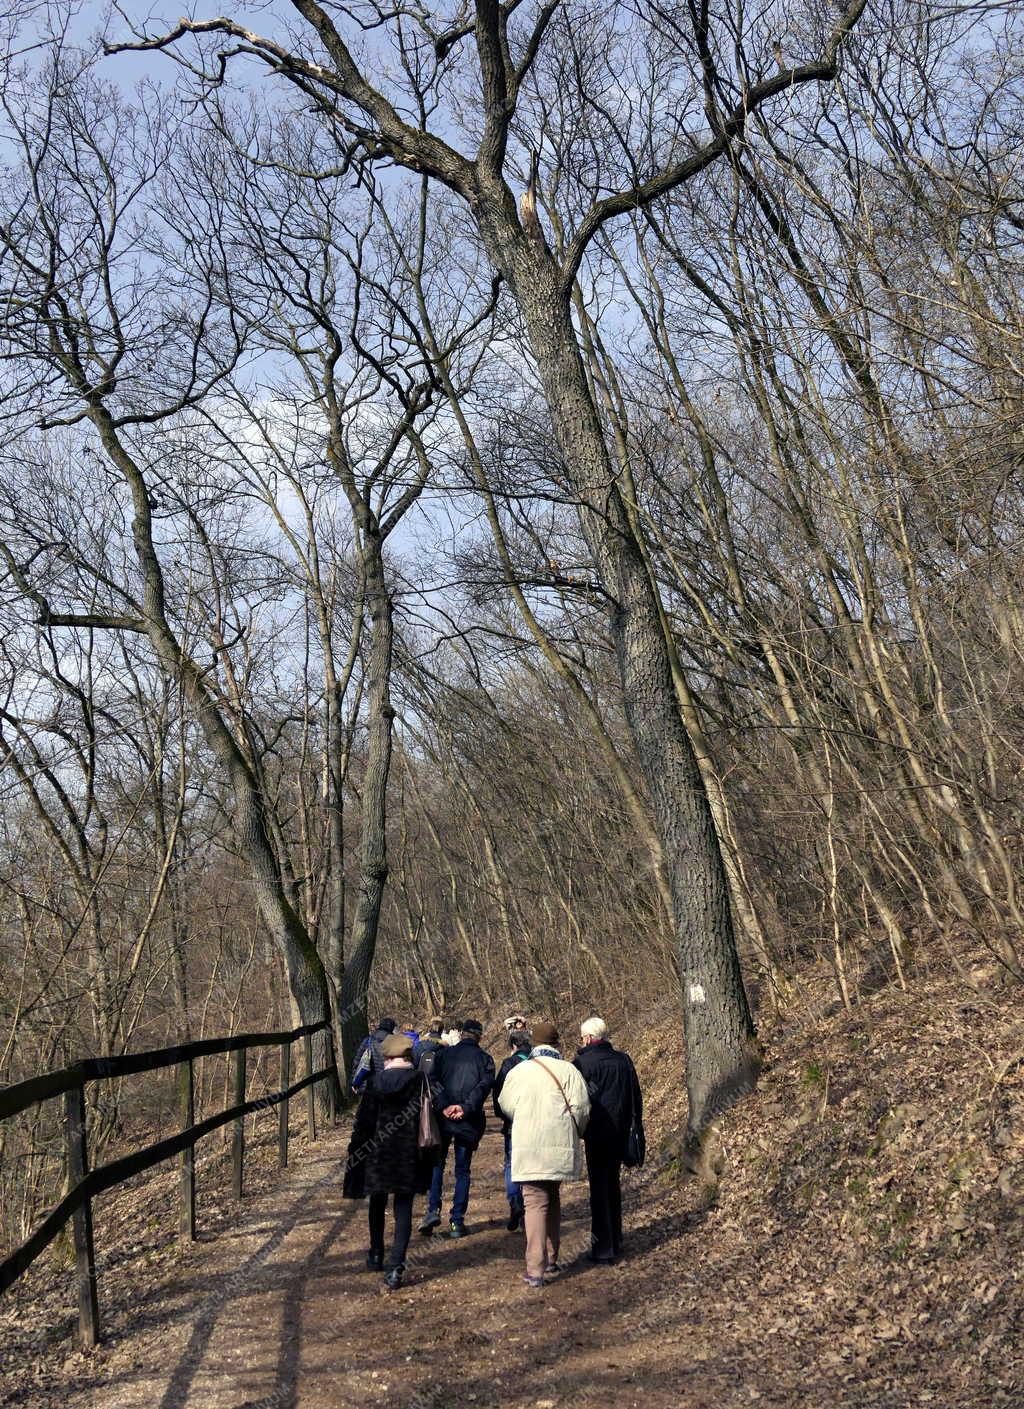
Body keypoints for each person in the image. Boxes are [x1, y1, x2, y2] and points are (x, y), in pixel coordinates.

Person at [342, 1033, 439, 1289]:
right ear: (408, 1055)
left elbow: (363, 1122)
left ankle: (376, 1253)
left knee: (377, 1201)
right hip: (409, 1153)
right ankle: (396, 1266)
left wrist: (356, 1150)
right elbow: (432, 1115)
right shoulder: (420, 1080)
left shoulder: (375, 1083)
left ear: (386, 1056)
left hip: (377, 1153)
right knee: (403, 1207)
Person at [499, 1020, 590, 1289]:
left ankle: (535, 1268)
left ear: (534, 1043)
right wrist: (575, 1131)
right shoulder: (570, 1071)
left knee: (535, 1202)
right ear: (556, 1043)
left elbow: (505, 1104)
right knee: (552, 1196)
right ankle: (551, 1257)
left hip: (529, 1147)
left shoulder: (521, 1071)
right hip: (560, 1146)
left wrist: (523, 1117)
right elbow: (583, 1107)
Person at [573, 1015, 643, 1264]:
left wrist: (579, 1129)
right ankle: (616, 1237)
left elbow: (578, 1101)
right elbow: (635, 1097)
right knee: (613, 1186)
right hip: (620, 1132)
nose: (581, 1040)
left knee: (598, 1190)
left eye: (582, 1036)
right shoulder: (623, 1060)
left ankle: (603, 1246)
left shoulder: (582, 1063)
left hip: (595, 1134)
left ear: (590, 1037)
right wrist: (635, 1126)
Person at [418, 1018, 494, 1238]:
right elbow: (483, 1087)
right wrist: (465, 1107)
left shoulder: (443, 1055)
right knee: (462, 1170)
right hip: (468, 1121)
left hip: (443, 1120)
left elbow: (432, 1081)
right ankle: (456, 1221)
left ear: (461, 1034)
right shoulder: (485, 1060)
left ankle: (432, 1209)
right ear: (479, 1036)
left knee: (437, 1165)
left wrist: (443, 1106)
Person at [493, 1028, 532, 1231]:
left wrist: (503, 1116)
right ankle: (529, 1209)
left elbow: (498, 1094)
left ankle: (515, 1203)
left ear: (513, 1046)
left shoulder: (509, 1064)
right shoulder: (537, 1062)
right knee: (531, 1164)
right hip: (534, 1123)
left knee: (510, 1164)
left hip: (512, 1123)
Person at [350, 1016, 397, 1093]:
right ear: (391, 1028)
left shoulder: (368, 1040)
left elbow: (357, 1061)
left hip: (369, 1085)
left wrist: (355, 1082)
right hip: (389, 1084)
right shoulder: (395, 1043)